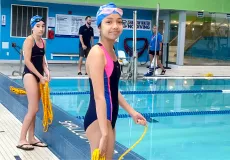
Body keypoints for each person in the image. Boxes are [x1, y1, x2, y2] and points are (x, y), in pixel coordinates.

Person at [83, 2, 147, 159]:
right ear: (99, 26)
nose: (115, 26)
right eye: (109, 21)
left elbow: (112, 89)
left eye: (119, 22)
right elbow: (99, 96)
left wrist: (132, 112)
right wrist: (104, 133)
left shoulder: (111, 52)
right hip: (99, 120)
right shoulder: (97, 53)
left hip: (108, 119)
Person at [17, 15, 50, 150]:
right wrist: (39, 76)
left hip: (39, 76)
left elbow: (42, 61)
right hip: (30, 75)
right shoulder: (28, 41)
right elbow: (28, 62)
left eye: (42, 26)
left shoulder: (43, 42)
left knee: (35, 109)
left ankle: (31, 138)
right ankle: (21, 139)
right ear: (32, 27)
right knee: (33, 108)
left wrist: (47, 71)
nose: (41, 29)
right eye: (38, 26)